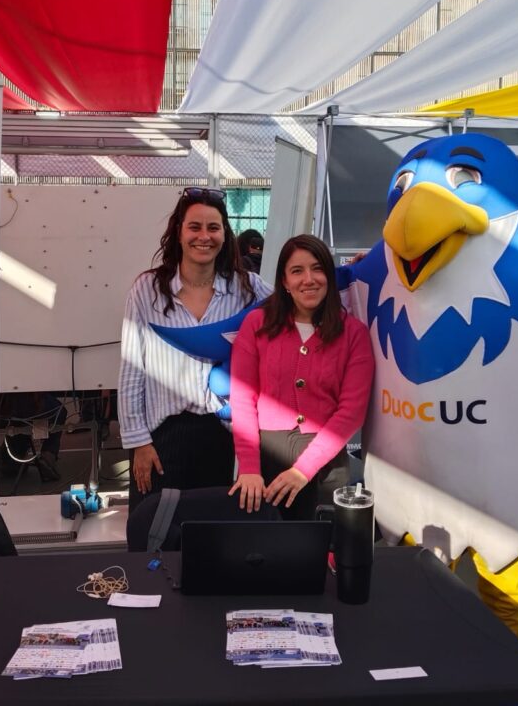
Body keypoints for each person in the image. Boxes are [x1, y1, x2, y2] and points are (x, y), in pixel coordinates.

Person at [118, 187, 272, 506]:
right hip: (161, 437)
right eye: (195, 227)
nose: (204, 236)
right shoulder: (148, 290)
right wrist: (138, 442)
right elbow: (132, 370)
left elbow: (300, 300)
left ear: (225, 235)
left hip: (220, 436)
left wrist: (358, 270)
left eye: (213, 227)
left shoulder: (246, 288)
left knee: (208, 530)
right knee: (155, 527)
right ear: (179, 232)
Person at [228, 234, 373, 520]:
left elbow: (352, 412)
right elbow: (243, 400)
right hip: (267, 463)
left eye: (317, 269)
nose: (309, 279)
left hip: (327, 465)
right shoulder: (257, 324)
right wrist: (249, 468)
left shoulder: (354, 333)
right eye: (297, 271)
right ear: (284, 281)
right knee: (268, 543)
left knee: (323, 545)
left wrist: (303, 470)